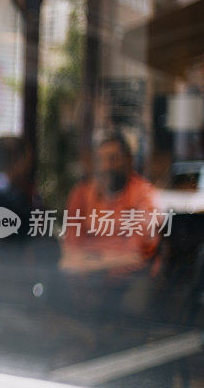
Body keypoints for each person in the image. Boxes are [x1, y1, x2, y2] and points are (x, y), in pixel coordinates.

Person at [60, 134, 160, 318]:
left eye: (113, 159)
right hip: (86, 279)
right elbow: (71, 245)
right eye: (102, 160)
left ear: (128, 161)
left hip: (126, 282)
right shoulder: (82, 194)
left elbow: (137, 254)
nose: (107, 166)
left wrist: (96, 264)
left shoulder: (143, 195)